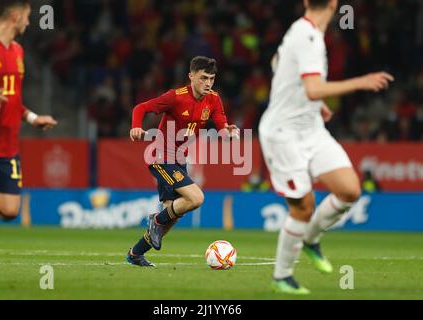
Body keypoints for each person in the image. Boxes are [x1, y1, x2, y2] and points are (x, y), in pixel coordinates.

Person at [258, 0, 394, 294]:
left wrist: (315, 106)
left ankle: (310, 239)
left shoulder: (302, 33)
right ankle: (282, 276)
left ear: (307, 2)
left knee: (349, 190)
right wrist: (361, 81)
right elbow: (313, 88)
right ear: (334, 4)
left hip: (311, 129)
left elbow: (277, 65)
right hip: (284, 133)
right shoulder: (307, 37)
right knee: (304, 206)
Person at [126, 56, 239, 267]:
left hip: (179, 159)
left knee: (173, 215)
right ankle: (156, 219)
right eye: (204, 78)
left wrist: (228, 132)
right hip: (159, 156)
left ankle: (135, 254)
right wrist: (135, 126)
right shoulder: (175, 97)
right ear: (191, 76)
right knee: (196, 198)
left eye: (212, 79)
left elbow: (222, 125)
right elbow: (140, 108)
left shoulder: (213, 99)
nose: (208, 83)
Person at [0, 0, 58, 223]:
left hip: (6, 145)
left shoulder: (18, 52)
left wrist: (33, 118)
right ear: (15, 17)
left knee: (9, 211)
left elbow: (13, 100)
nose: (29, 22)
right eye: (28, 16)